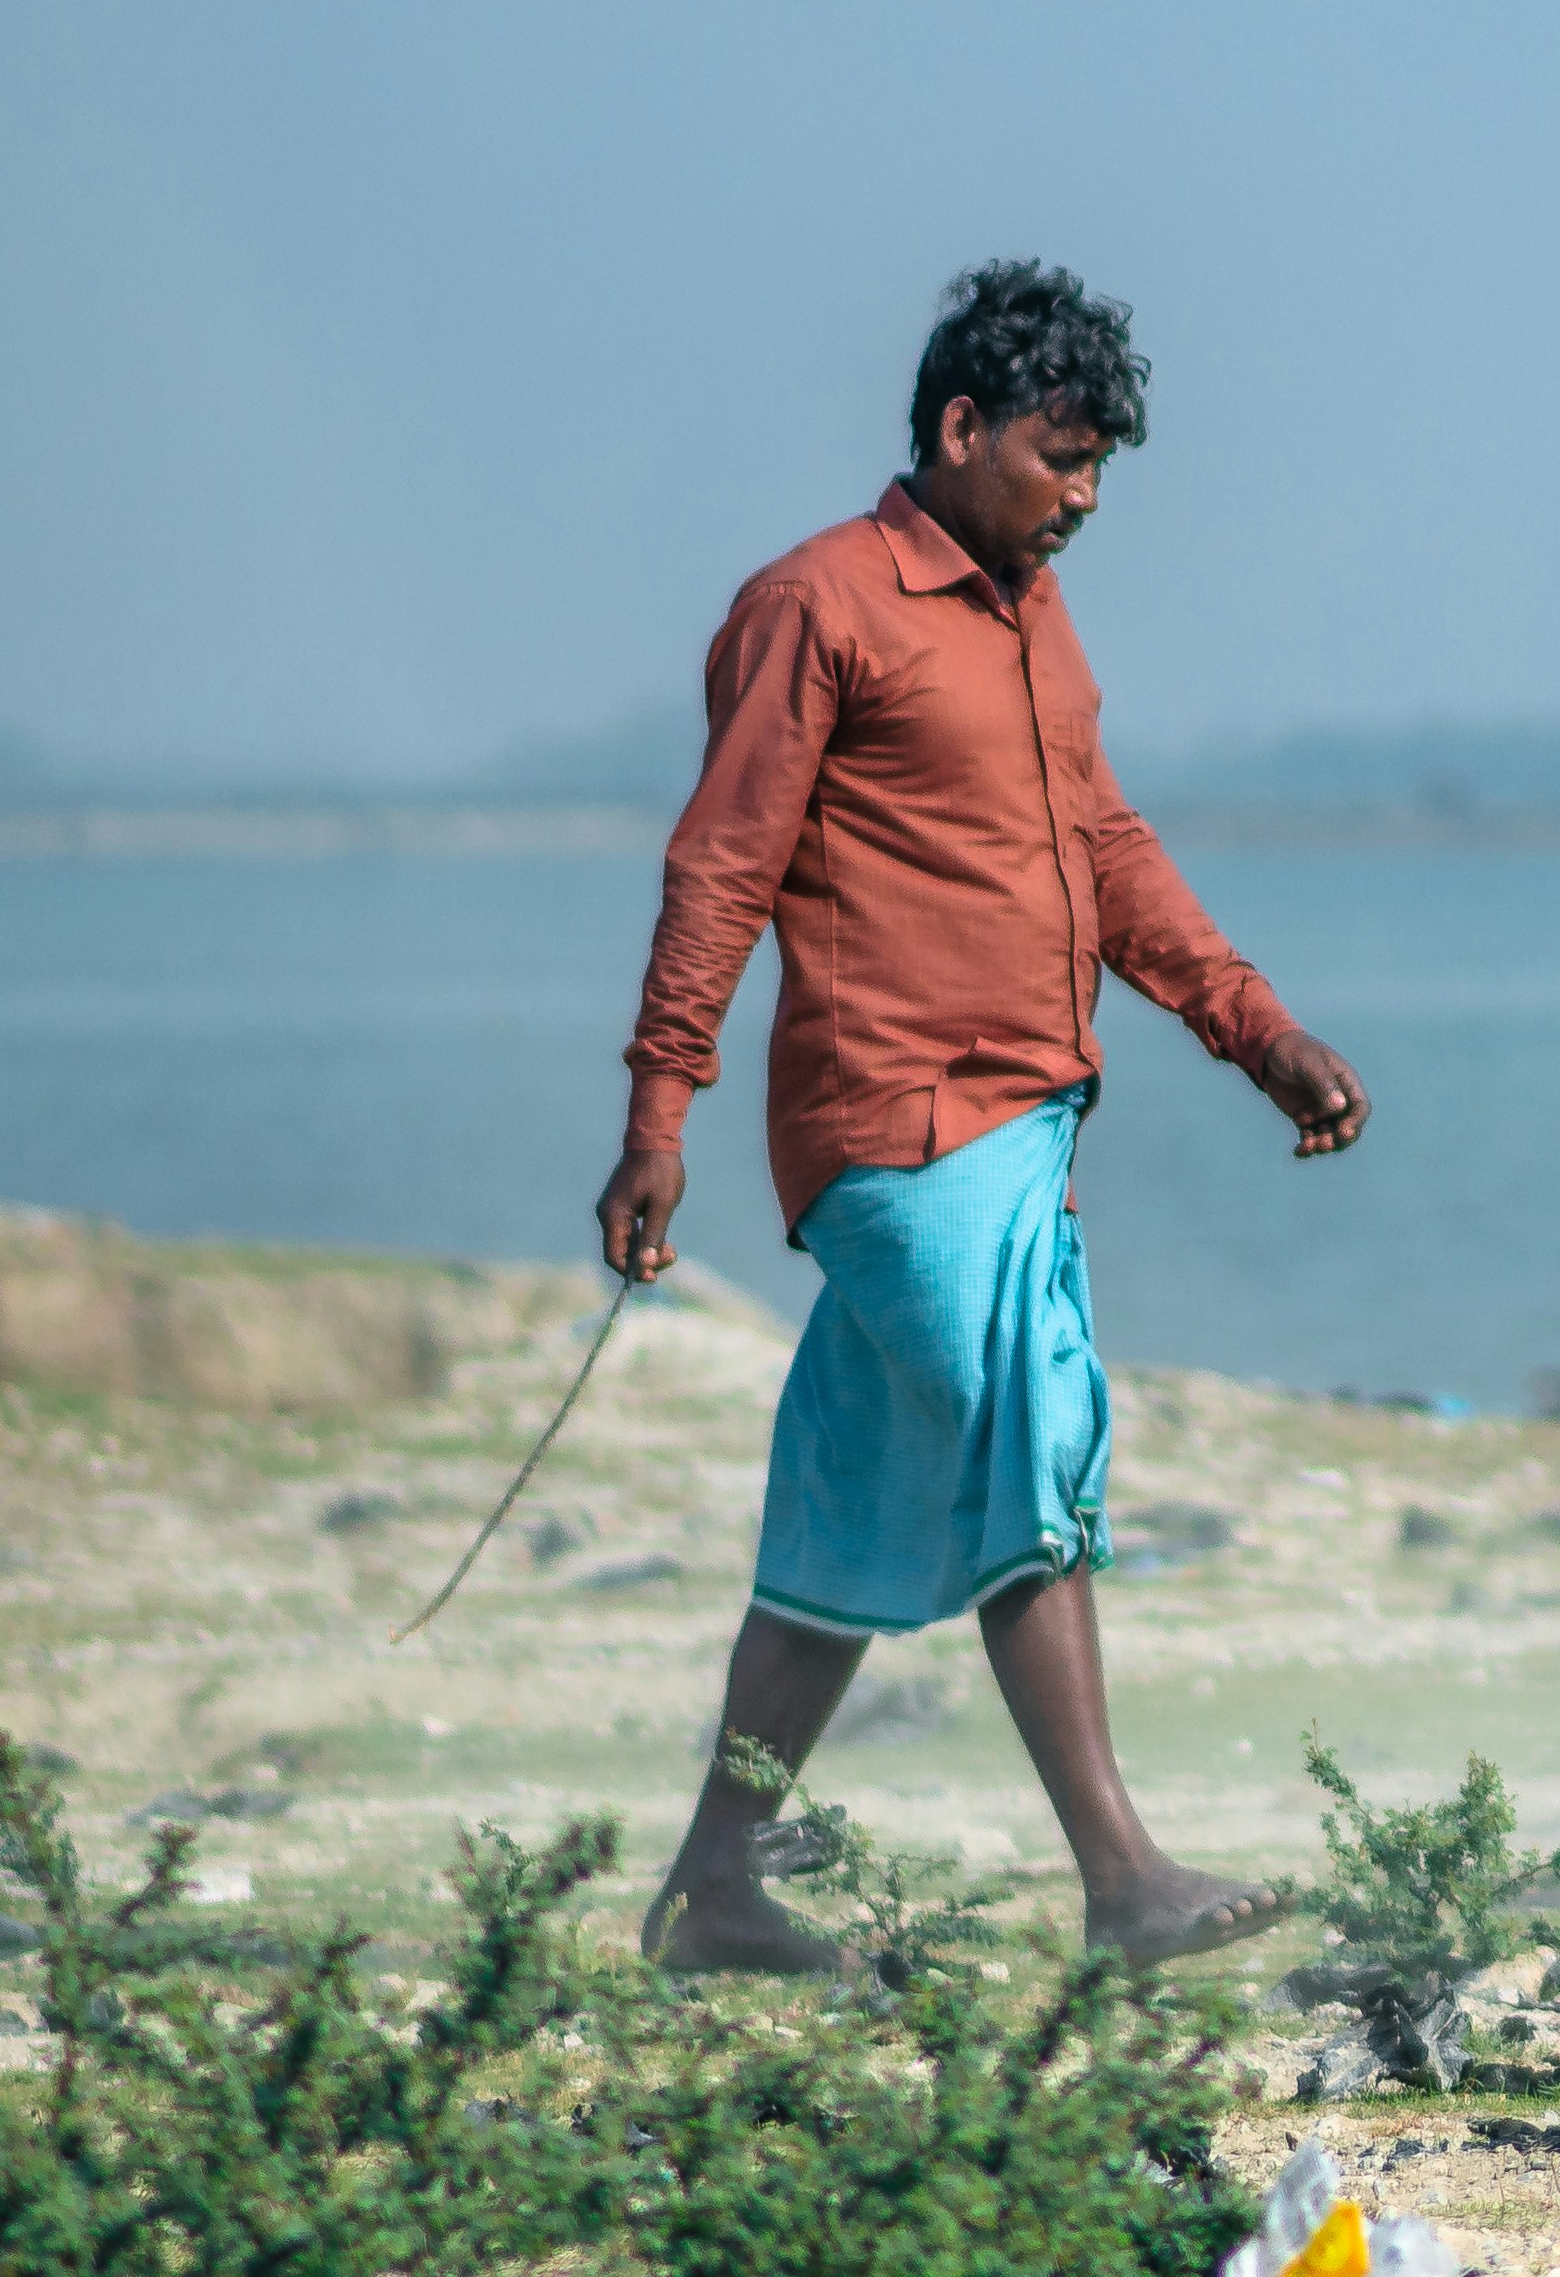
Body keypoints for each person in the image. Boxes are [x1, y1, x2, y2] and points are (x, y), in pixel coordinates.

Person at [596, 260, 1370, 1971]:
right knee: (1032, 1424)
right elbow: (719, 865)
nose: (1086, 495)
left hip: (1028, 1113)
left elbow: (1101, 845)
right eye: (1061, 454)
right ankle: (1120, 1876)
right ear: (961, 426)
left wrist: (1258, 1029)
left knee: (847, 1515)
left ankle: (712, 1890)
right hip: (892, 1121)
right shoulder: (818, 602)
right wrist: (662, 1108)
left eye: (1103, 465)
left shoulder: (1034, 608)